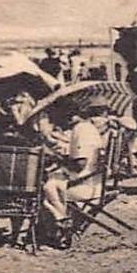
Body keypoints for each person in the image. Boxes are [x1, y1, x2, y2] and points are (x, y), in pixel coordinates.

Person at [40, 100, 109, 239]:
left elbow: (79, 165)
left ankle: (59, 227)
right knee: (51, 179)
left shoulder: (81, 130)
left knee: (43, 188)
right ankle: (55, 227)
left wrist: (57, 159)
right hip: (93, 181)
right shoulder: (87, 127)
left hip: (85, 186)